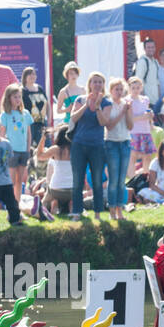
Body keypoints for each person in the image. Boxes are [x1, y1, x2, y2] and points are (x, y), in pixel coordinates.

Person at [67, 72, 113, 219]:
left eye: (100, 82)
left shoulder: (106, 103)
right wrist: (86, 105)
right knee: (78, 179)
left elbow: (103, 123)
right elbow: (73, 118)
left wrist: (98, 107)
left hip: (97, 146)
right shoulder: (80, 99)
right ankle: (77, 212)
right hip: (79, 144)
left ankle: (98, 213)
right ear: (89, 84)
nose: (97, 84)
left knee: (97, 180)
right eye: (95, 82)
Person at [0, 84, 32, 198]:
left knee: (20, 182)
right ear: (9, 98)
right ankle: (11, 207)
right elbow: (2, 135)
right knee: (11, 181)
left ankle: (17, 206)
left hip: (23, 151)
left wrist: (28, 150)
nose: (18, 99)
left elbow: (28, 133)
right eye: (15, 97)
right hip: (11, 151)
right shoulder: (5, 115)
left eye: (19, 97)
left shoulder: (26, 113)